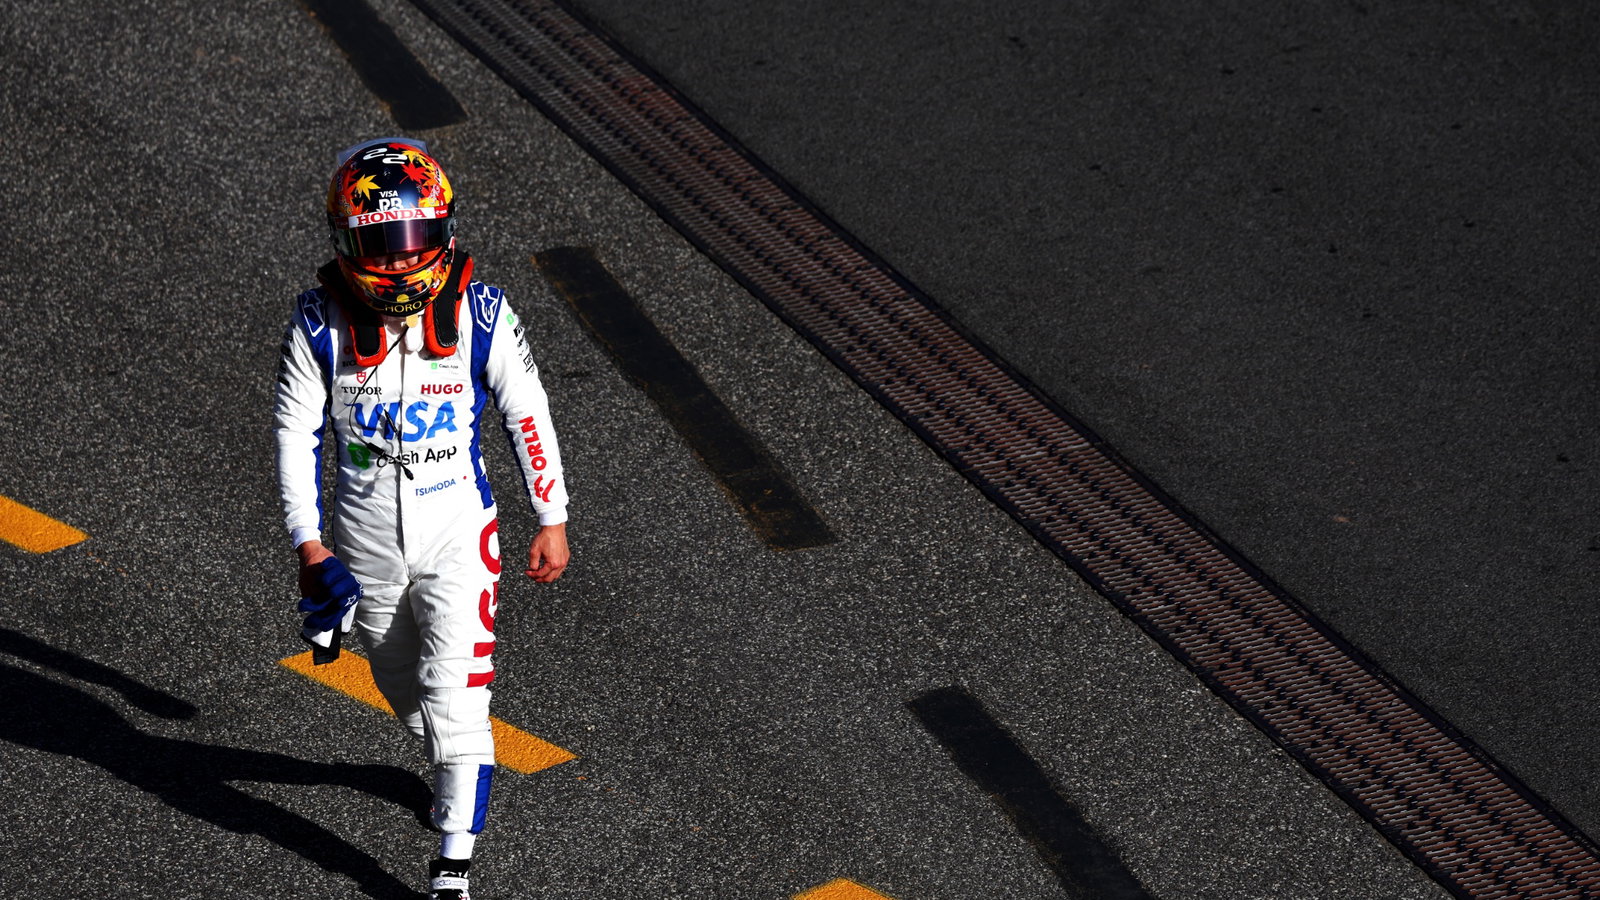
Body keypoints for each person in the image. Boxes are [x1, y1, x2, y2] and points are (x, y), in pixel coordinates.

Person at [274, 137, 570, 900]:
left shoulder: (482, 312)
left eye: (416, 240)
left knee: (457, 698)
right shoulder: (317, 325)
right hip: (365, 541)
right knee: (402, 685)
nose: (403, 260)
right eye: (384, 245)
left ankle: (451, 869)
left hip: (460, 531)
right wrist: (310, 547)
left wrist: (552, 514)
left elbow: (527, 411)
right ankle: (452, 768)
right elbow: (294, 436)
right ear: (346, 245)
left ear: (444, 231)